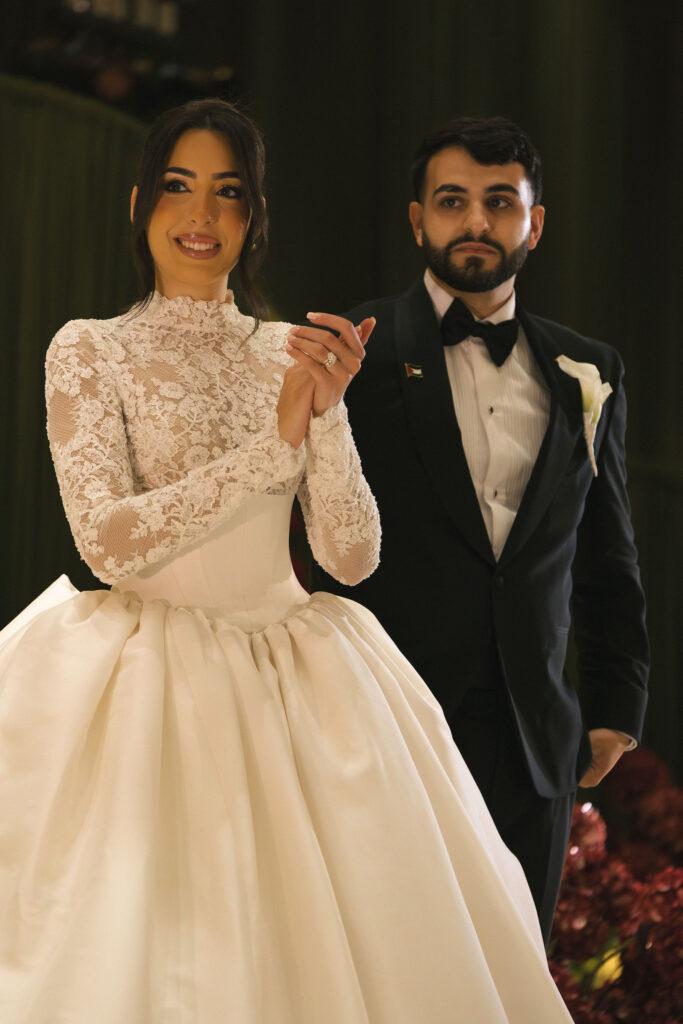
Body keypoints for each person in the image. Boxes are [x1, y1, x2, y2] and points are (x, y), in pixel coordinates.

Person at [0, 100, 572, 1023]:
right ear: (139, 202)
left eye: (229, 194)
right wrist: (275, 449)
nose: (202, 215)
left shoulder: (291, 352)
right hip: (143, 676)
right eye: (180, 187)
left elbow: (350, 557)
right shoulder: (90, 348)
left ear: (254, 218)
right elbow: (106, 541)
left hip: (297, 667)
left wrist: (329, 409)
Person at [314, 116, 649, 944]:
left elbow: (604, 550)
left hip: (534, 734)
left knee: (511, 966)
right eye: (452, 201)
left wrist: (614, 702)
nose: (474, 223)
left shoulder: (588, 369)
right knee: (390, 961)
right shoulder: (350, 350)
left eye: (498, 202)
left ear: (534, 222)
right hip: (387, 717)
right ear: (416, 218)